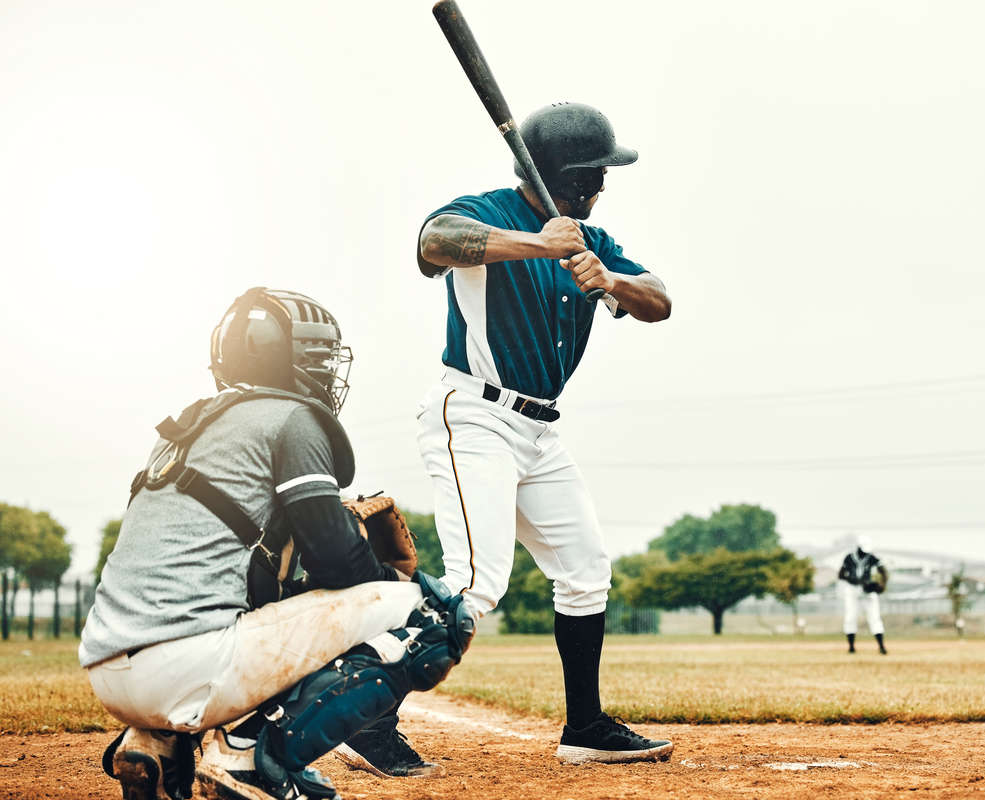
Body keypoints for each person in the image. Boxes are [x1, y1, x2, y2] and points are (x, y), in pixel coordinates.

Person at [357, 101, 672, 768]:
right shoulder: (491, 210)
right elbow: (434, 242)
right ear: (574, 175)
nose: (604, 186)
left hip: (538, 430)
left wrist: (606, 276)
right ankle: (365, 719)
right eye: (597, 173)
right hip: (472, 412)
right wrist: (540, 245)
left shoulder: (591, 238)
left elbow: (659, 300)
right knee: (476, 584)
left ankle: (584, 728)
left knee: (585, 571)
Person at [79, 287, 474, 800]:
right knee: (437, 616)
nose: (328, 370)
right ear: (284, 358)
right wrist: (395, 580)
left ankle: (157, 741)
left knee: (277, 584)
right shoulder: (292, 418)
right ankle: (249, 755)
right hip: (186, 665)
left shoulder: (188, 425)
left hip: (110, 669)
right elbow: (337, 560)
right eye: (317, 356)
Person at [837, 535, 889, 654]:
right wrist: (854, 580)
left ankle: (881, 646)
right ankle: (851, 647)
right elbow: (841, 575)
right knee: (850, 617)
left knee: (875, 617)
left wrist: (882, 584)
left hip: (868, 591)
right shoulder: (849, 558)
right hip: (852, 590)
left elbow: (883, 571)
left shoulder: (871, 558)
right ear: (858, 547)